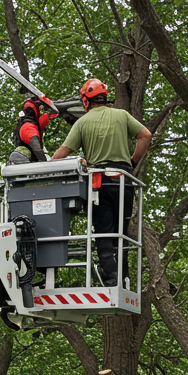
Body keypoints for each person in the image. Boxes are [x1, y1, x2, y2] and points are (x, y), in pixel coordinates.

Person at [50, 78, 152, 286]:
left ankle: (111, 277)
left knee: (104, 229)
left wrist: (43, 168)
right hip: (124, 180)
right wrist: (131, 162)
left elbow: (64, 151)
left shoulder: (83, 122)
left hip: (99, 181)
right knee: (121, 232)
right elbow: (146, 135)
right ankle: (123, 276)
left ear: (86, 100)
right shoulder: (122, 115)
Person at [10, 96, 59, 164]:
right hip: (28, 162)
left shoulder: (30, 124)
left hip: (31, 161)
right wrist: (45, 164)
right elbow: (36, 148)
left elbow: (43, 120)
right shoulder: (29, 127)